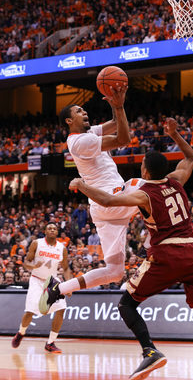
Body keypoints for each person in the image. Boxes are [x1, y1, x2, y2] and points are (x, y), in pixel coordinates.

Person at [41, 118, 193, 380]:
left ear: (145, 170)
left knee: (127, 304)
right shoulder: (177, 180)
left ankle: (149, 349)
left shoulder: (143, 193)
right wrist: (175, 134)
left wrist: (81, 184)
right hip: (192, 253)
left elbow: (108, 201)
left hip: (167, 254)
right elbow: (191, 157)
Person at [39, 80, 145, 306]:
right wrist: (117, 107)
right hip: (112, 199)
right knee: (148, 187)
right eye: (79, 111)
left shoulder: (88, 133)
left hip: (104, 210)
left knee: (115, 272)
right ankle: (151, 244)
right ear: (69, 121)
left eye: (83, 109)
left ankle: (58, 288)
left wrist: (119, 104)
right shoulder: (81, 141)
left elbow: (116, 124)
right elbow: (123, 139)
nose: (84, 111)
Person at [11, 222, 72, 353]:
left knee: (61, 308)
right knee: (30, 312)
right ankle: (21, 333)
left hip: (52, 282)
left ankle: (50, 342)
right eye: (49, 228)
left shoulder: (62, 248)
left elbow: (66, 268)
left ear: (57, 233)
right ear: (45, 231)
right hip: (36, 281)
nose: (52, 230)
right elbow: (26, 262)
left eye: (54, 229)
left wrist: (70, 285)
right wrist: (33, 266)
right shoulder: (37, 243)